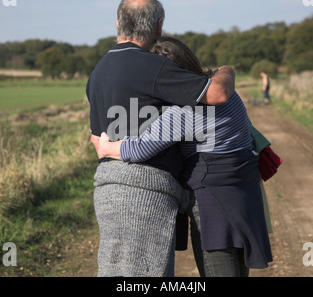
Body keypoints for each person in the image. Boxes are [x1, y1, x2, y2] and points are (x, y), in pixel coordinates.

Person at [86, 0, 235, 277]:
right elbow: (217, 94)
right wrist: (227, 70)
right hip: (146, 194)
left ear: (117, 23)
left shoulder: (98, 72)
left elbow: (98, 141)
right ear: (158, 26)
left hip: (107, 190)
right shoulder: (154, 67)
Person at [98, 36, 273, 277]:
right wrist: (226, 70)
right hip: (245, 191)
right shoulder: (227, 92)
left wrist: (106, 147)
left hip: (213, 200)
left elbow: (138, 149)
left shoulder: (183, 113)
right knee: (239, 270)